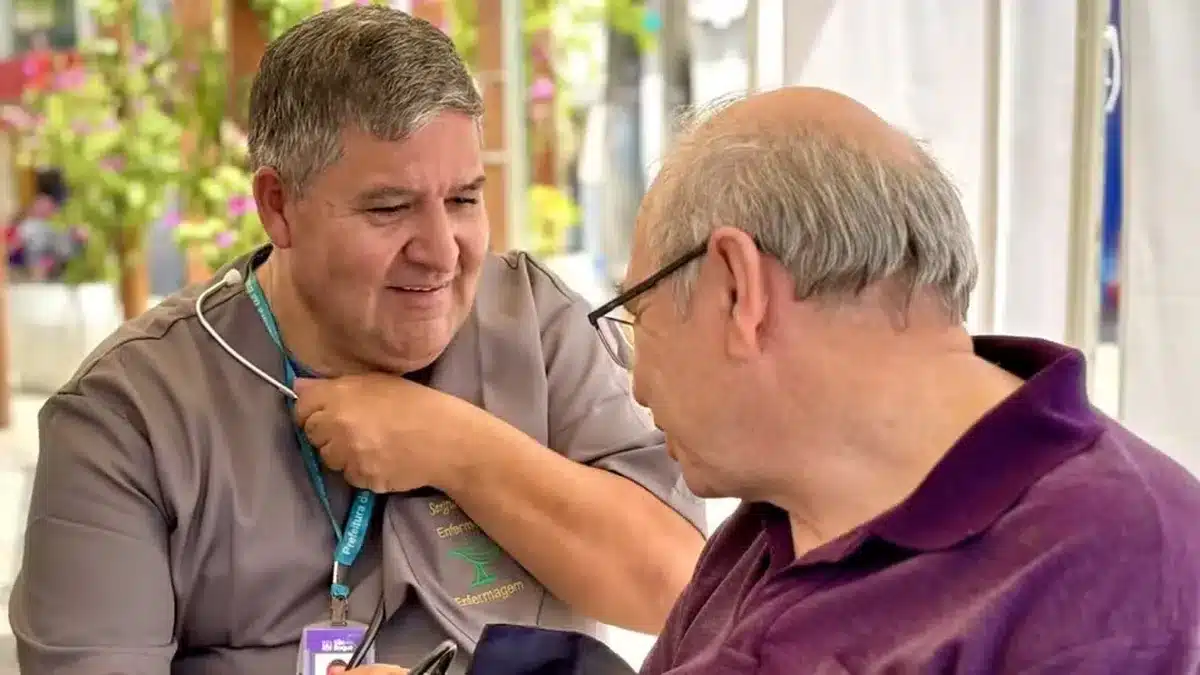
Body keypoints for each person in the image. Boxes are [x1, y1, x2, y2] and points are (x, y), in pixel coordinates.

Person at [9, 6, 705, 675]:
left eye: (464, 199)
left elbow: (677, 584)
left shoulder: (536, 325)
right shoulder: (129, 417)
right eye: (389, 207)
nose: (441, 251)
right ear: (278, 207)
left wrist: (456, 447)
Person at [586, 86, 1200, 674]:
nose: (638, 384)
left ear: (739, 289)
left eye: (641, 314)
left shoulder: (1121, 572)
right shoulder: (769, 524)